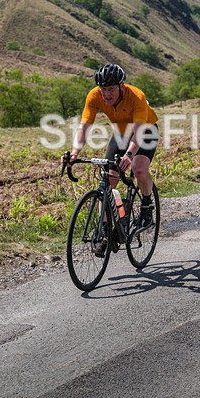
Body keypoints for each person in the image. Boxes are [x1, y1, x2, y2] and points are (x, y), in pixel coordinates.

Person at [69, 64, 159, 256]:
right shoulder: (94, 96)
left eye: (111, 89)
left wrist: (129, 155)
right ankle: (105, 231)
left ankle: (147, 204)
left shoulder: (136, 96)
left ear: (121, 85)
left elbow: (138, 133)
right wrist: (75, 152)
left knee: (139, 168)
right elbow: (84, 126)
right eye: (103, 89)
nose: (106, 94)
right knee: (108, 181)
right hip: (120, 133)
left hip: (145, 131)